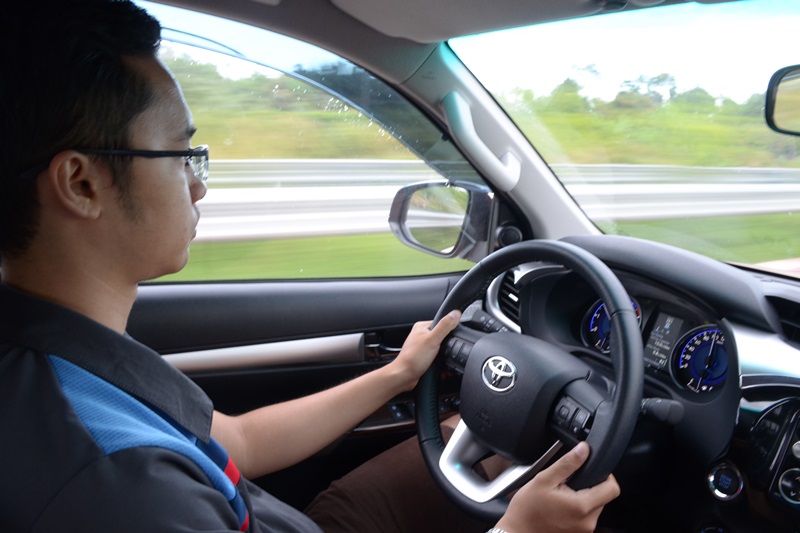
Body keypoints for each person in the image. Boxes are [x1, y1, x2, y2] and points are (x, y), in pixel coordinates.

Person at [0, 1, 620, 531]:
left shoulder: (69, 358)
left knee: (475, 447)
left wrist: (397, 375)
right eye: (180, 153)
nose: (198, 185)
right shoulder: (125, 485)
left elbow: (237, 442)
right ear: (81, 184)